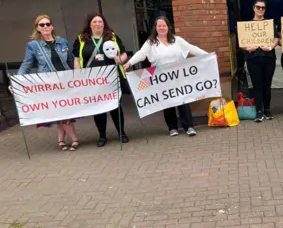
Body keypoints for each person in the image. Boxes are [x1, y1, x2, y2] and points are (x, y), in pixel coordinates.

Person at [123, 16, 208, 136]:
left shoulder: (177, 40)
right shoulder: (151, 43)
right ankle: (172, 127)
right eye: (159, 26)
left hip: (178, 77)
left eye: (164, 25)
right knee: (167, 103)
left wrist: (208, 55)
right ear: (155, 28)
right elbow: (141, 54)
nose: (162, 28)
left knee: (183, 101)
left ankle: (189, 126)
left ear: (168, 27)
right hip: (161, 78)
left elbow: (191, 48)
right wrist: (129, 63)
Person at [10, 14, 79, 151]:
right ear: (37, 28)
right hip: (48, 84)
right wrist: (16, 82)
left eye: (48, 24)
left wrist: (77, 77)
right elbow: (26, 65)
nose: (46, 26)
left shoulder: (62, 42)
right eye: (42, 25)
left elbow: (70, 62)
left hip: (65, 83)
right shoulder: (34, 46)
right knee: (60, 111)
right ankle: (74, 139)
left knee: (65, 110)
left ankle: (60, 140)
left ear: (52, 26)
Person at [73, 13, 129, 147]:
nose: (98, 24)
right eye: (94, 22)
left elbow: (124, 53)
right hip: (92, 81)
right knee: (98, 108)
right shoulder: (81, 39)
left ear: (104, 24)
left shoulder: (112, 37)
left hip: (112, 79)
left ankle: (121, 133)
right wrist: (78, 76)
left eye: (100, 22)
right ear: (90, 24)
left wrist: (120, 59)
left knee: (115, 106)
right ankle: (102, 136)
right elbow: (77, 59)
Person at [241, 0, 279, 122]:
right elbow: (241, 43)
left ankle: (267, 109)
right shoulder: (247, 25)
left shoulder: (269, 24)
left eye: (263, 8)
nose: (260, 10)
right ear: (254, 8)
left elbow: (276, 39)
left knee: (267, 85)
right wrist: (248, 48)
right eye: (258, 7)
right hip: (253, 59)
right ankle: (258, 111)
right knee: (257, 86)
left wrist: (270, 47)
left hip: (268, 58)